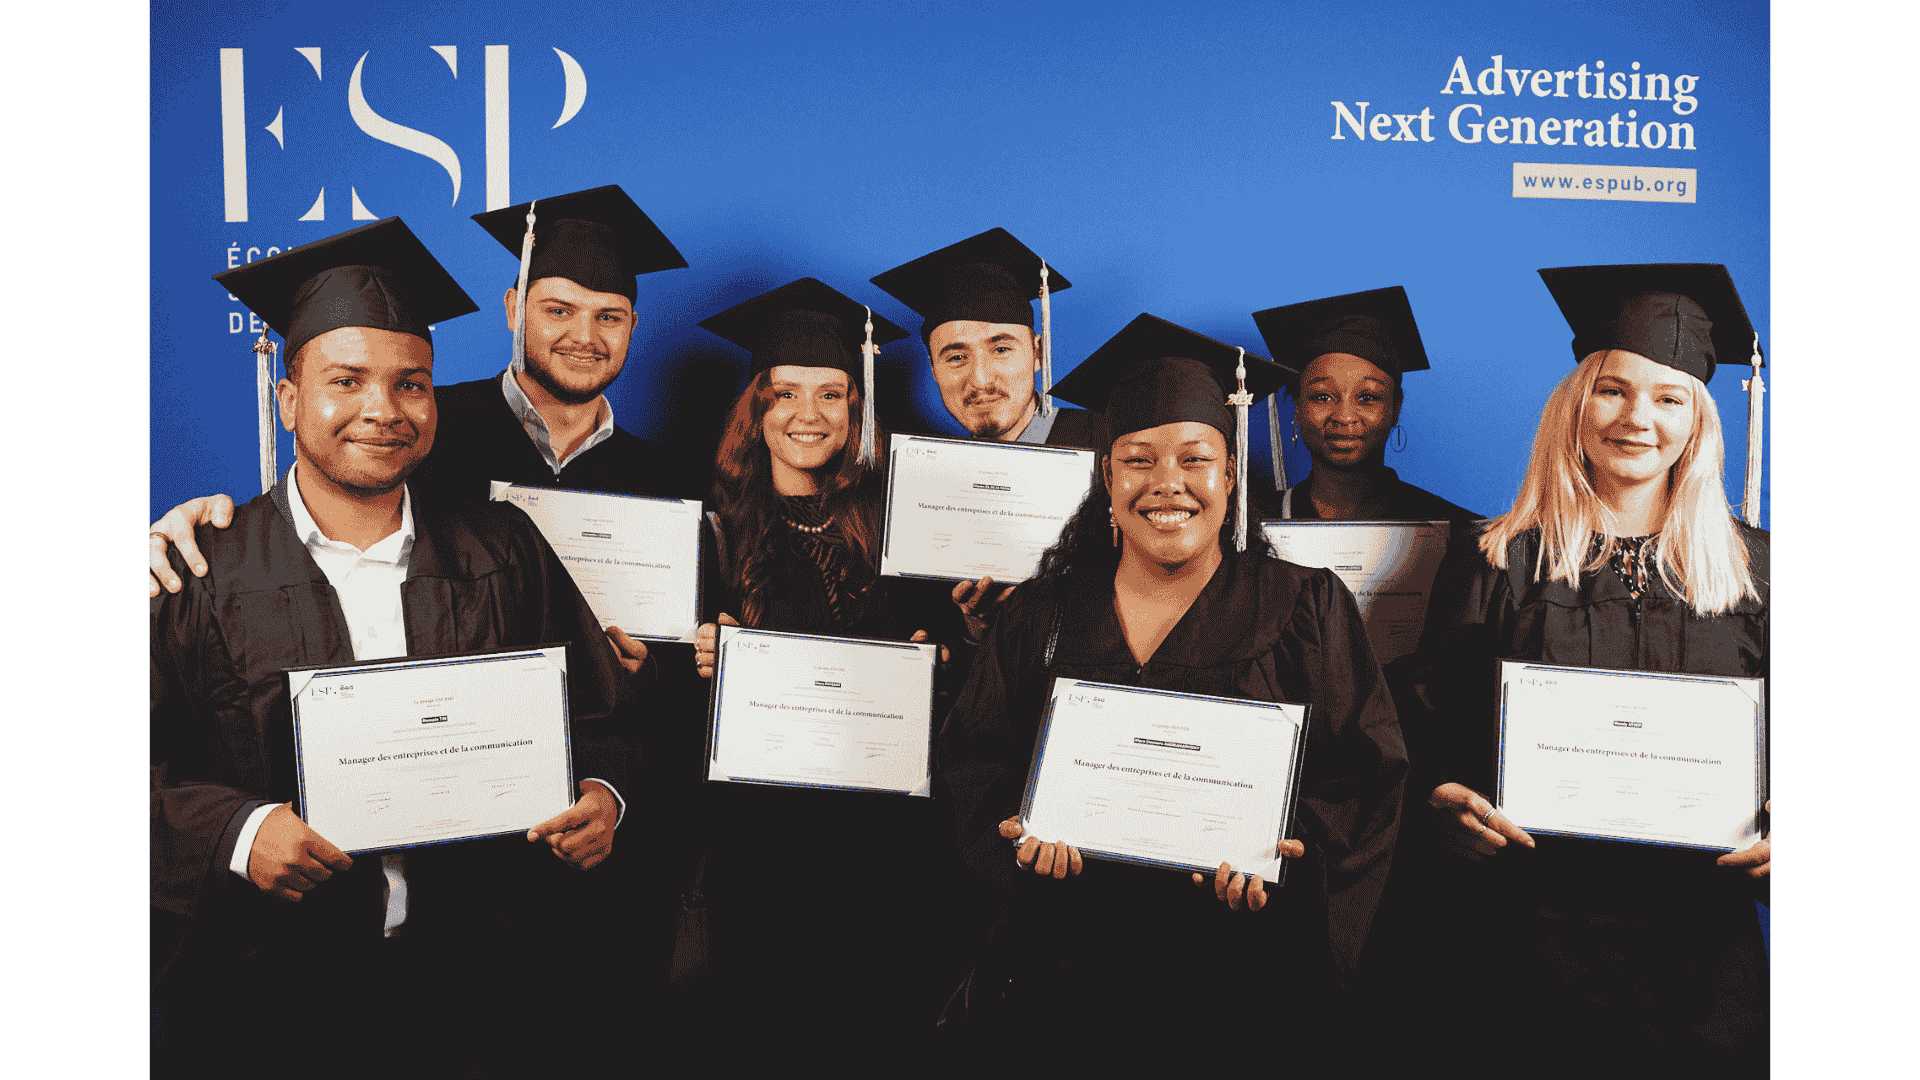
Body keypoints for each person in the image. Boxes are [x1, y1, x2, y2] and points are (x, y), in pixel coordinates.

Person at [150, 218, 641, 1078]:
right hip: (267, 1004)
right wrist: (235, 830)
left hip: (479, 993)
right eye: (347, 380)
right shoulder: (199, 572)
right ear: (289, 396)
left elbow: (604, 713)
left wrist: (604, 793)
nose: (383, 410)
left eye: (410, 383)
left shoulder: (503, 549)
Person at [935, 314, 1407, 1064]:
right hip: (1065, 979)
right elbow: (974, 765)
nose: (1167, 485)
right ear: (1108, 477)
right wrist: (1017, 837)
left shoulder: (1305, 609)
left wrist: (1289, 855)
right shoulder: (1042, 614)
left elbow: (1364, 779)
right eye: (1138, 460)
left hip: (1240, 985)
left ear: (1228, 474)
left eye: (1195, 459)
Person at [1402, 263, 1770, 1077]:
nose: (1638, 417)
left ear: (1699, 423)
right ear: (1575, 404)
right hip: (1529, 953)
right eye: (1612, 390)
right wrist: (1444, 801)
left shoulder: (1761, 574)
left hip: (1702, 964)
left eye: (1669, 397)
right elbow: (1431, 729)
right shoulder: (1497, 562)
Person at [680, 278, 964, 1060]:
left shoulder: (899, 528)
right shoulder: (708, 530)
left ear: (855, 406)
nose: (809, 415)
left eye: (832, 394)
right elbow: (668, 702)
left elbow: (948, 662)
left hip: (883, 858)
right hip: (762, 857)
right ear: (756, 409)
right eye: (785, 394)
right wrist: (702, 656)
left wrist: (931, 656)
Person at [1251, 286, 1482, 523]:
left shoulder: (1457, 532)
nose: (1344, 416)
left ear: (1396, 408)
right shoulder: (1253, 527)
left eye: (1367, 398)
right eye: (1322, 397)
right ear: (1298, 407)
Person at [871, 227, 1107, 450]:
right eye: (957, 357)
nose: (981, 380)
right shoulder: (933, 472)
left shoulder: (1113, 445)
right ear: (934, 370)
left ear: (1038, 353)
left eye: (1002, 350)